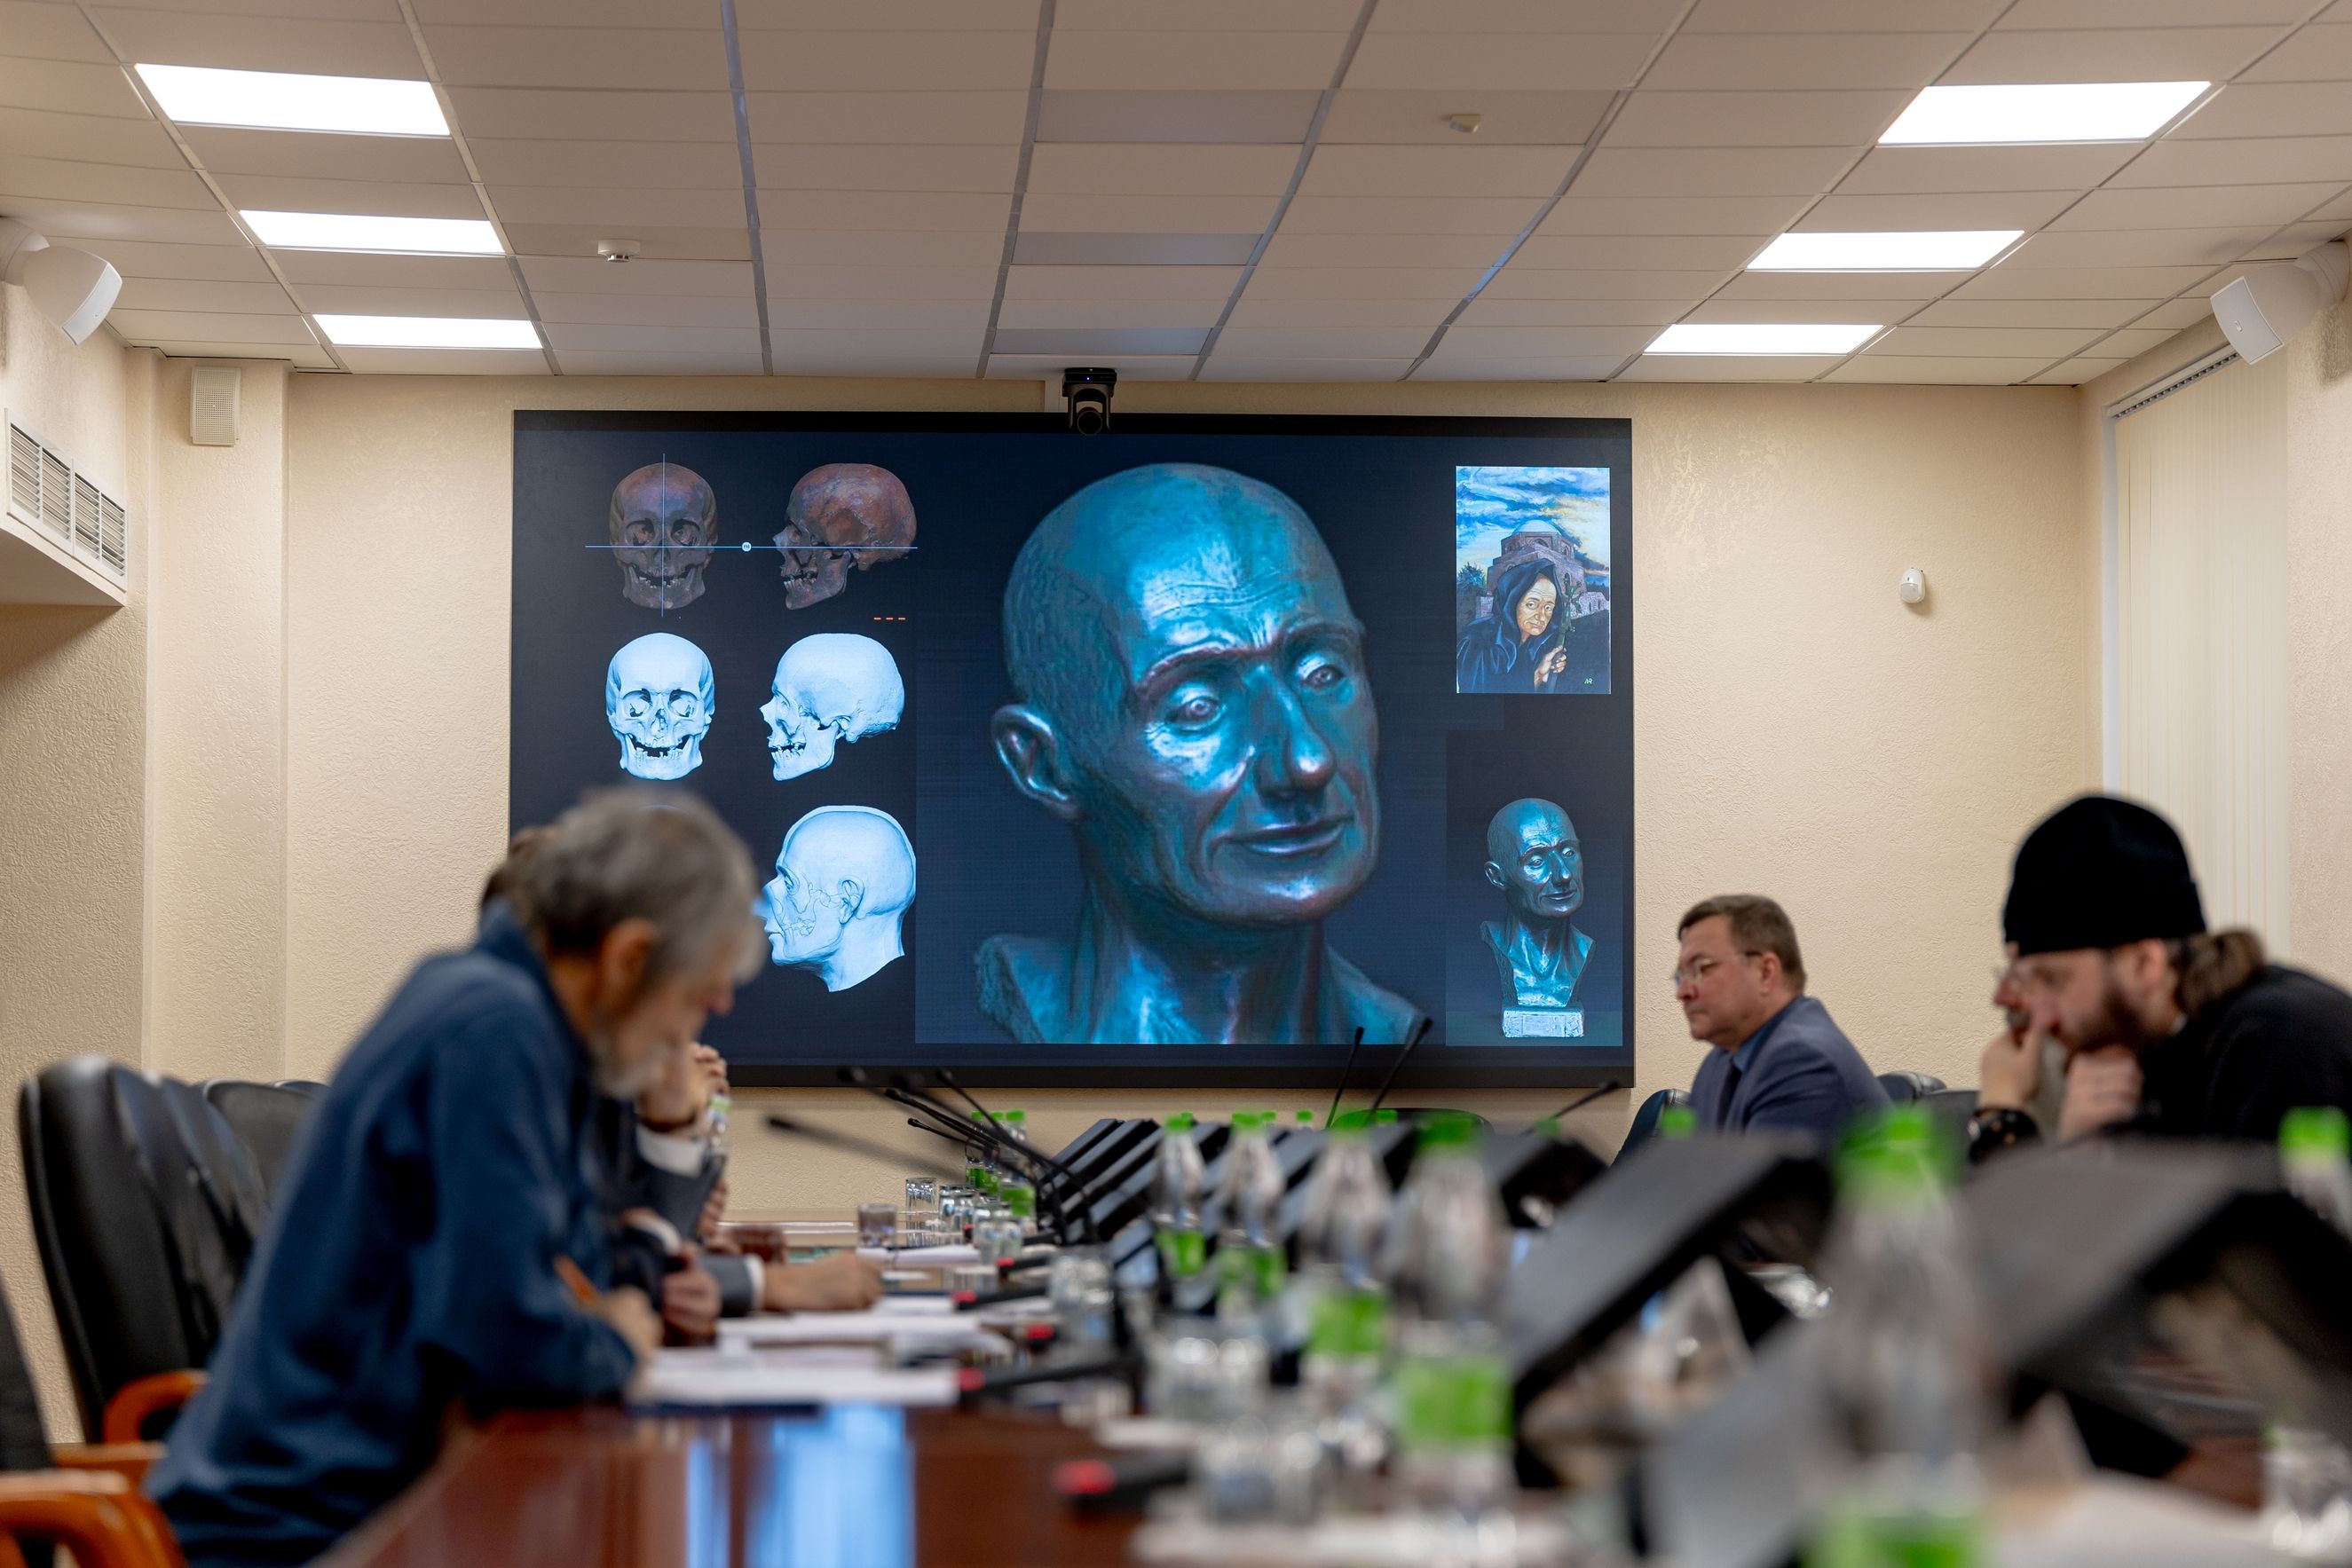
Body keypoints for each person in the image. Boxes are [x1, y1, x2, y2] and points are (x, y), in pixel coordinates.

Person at [148, 788, 756, 1563]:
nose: (697, 1023)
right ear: (628, 957)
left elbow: (582, 1266)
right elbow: (507, 1338)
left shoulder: (517, 1018)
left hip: (370, 1498)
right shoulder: (495, 1030)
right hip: (305, 1531)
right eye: (695, 997)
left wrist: (609, 1304)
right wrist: (613, 1340)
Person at [981, 462, 1422, 1045]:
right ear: (1044, 765)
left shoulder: (1387, 1030)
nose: (1307, 760)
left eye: (1323, 673)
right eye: (1197, 707)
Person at [1971, 795, 2352, 1157]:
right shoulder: (2145, 1050)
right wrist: (2080, 1149)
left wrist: (2001, 1118)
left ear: (2145, 964)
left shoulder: (2281, 1045)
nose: (2036, 1014)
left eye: (2053, 980)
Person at [1676, 894, 1888, 1147]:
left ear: (1765, 972)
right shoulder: (1719, 1061)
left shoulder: (1801, 1061)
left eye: (1702, 968)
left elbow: (1753, 1174)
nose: (1683, 992)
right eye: (1681, 975)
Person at [1456, 555, 1569, 695]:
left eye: (1548, 607)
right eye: (1532, 604)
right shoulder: (1479, 642)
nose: (1541, 616)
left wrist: (1539, 674)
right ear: (1512, 602)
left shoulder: (1533, 646)